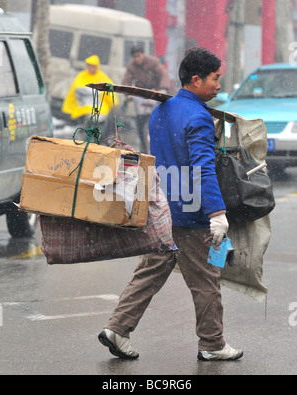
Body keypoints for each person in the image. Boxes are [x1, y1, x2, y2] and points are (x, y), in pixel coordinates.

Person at [98, 47, 243, 362]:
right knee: (205, 278)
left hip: (162, 206)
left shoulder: (161, 111)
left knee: (151, 270)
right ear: (196, 79)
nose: (219, 85)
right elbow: (202, 168)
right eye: (215, 79)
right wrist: (217, 213)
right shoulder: (199, 116)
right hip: (190, 212)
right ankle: (213, 343)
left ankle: (117, 329)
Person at [122, 45, 173, 153]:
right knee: (139, 123)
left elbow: (163, 75)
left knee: (159, 119)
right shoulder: (131, 66)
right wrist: (128, 94)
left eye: (139, 56)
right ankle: (143, 146)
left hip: (155, 92)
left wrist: (163, 88)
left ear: (143, 54)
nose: (137, 59)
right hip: (140, 95)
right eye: (135, 57)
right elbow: (126, 80)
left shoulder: (153, 62)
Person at [61, 55, 118, 132]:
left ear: (97, 66)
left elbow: (109, 90)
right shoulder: (82, 76)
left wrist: (112, 102)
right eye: (90, 66)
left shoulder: (102, 77)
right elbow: (75, 89)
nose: (91, 68)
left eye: (93, 66)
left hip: (98, 106)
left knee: (99, 119)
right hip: (83, 106)